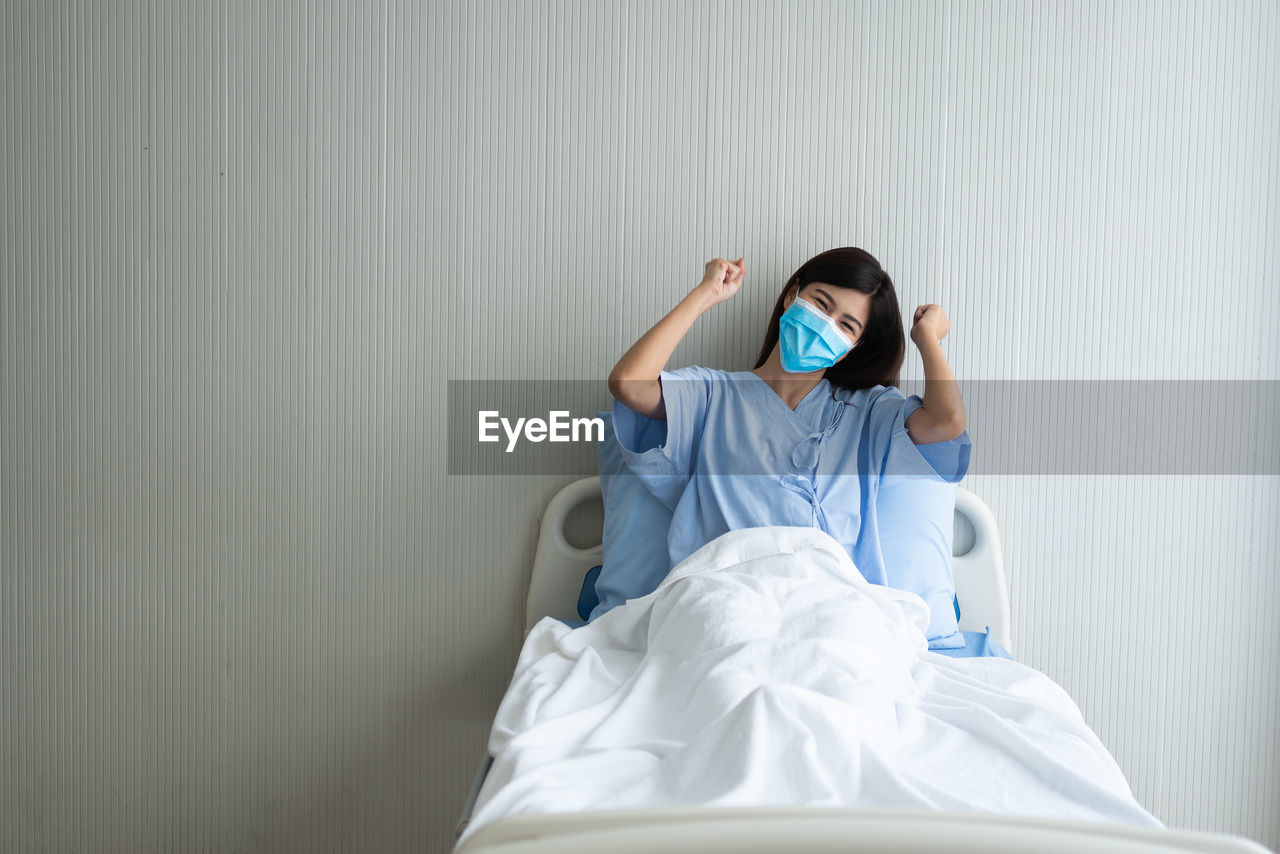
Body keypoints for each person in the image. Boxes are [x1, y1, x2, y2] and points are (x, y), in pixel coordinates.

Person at [605, 247, 971, 586]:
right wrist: (705, 295)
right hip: (723, 592)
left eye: (846, 326)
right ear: (791, 295)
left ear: (852, 349)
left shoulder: (869, 413)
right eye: (820, 304)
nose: (825, 325)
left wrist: (927, 339)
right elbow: (629, 384)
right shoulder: (711, 395)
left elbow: (946, 421)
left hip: (828, 605)